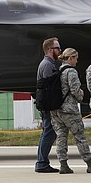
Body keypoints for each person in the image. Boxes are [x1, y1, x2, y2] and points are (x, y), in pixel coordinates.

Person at [51, 48, 91, 174]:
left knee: (61, 137)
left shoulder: (58, 70)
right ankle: (90, 164)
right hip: (69, 110)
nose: (77, 61)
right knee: (80, 136)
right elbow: (75, 90)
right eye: (75, 58)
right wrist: (81, 95)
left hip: (56, 110)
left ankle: (63, 164)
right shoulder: (71, 72)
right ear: (70, 58)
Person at [35, 37, 61, 173]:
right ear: (50, 50)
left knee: (47, 132)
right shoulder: (47, 65)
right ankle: (42, 163)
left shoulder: (48, 64)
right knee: (49, 133)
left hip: (45, 104)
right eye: (58, 48)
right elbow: (49, 87)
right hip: (47, 105)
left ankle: (41, 162)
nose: (60, 51)